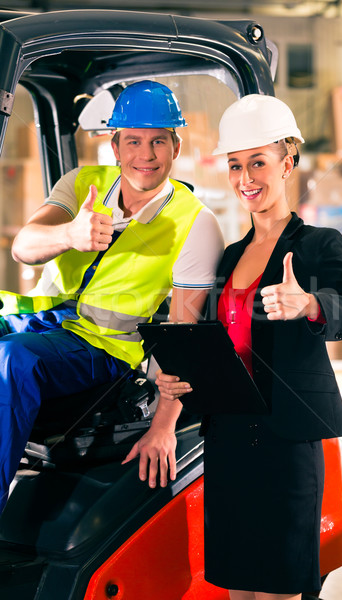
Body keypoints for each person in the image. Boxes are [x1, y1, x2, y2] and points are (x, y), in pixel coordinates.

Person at [126, 94, 342, 600]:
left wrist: (313, 304)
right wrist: (175, 375)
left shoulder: (317, 245)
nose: (246, 177)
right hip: (228, 441)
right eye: (235, 165)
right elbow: (215, 345)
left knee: (278, 590)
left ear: (287, 162)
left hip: (287, 444)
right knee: (236, 588)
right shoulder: (229, 256)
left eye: (258, 162)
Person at [0, 80, 224, 514]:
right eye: (134, 141)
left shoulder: (196, 224)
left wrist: (163, 426)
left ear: (176, 147)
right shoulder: (81, 183)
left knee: (12, 360)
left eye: (159, 141)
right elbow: (23, 248)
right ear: (115, 146)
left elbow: (182, 337)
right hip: (46, 324)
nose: (146, 154)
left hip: (103, 351)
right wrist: (69, 233)